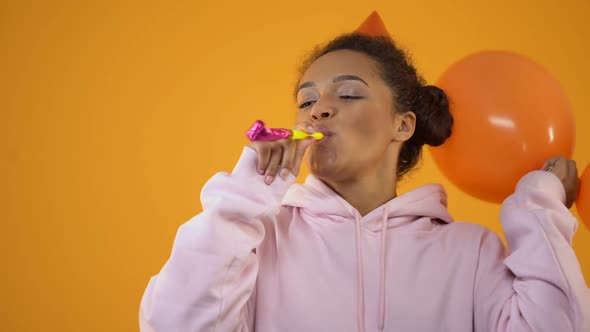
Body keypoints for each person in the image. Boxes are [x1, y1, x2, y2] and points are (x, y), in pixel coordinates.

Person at [139, 34, 589, 332]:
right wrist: (240, 203)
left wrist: (538, 213)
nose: (318, 110)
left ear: (403, 125)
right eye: (306, 100)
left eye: (348, 93)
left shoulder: (471, 253)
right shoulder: (256, 242)